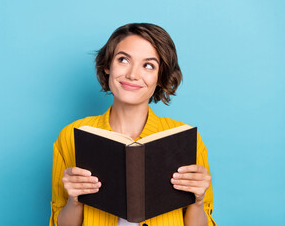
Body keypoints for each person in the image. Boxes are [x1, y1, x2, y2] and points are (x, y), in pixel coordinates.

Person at [50, 23, 216, 226]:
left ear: (160, 77)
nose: (132, 74)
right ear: (107, 66)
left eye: (148, 65)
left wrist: (197, 202)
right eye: (123, 60)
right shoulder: (72, 135)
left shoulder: (186, 140)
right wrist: (74, 201)